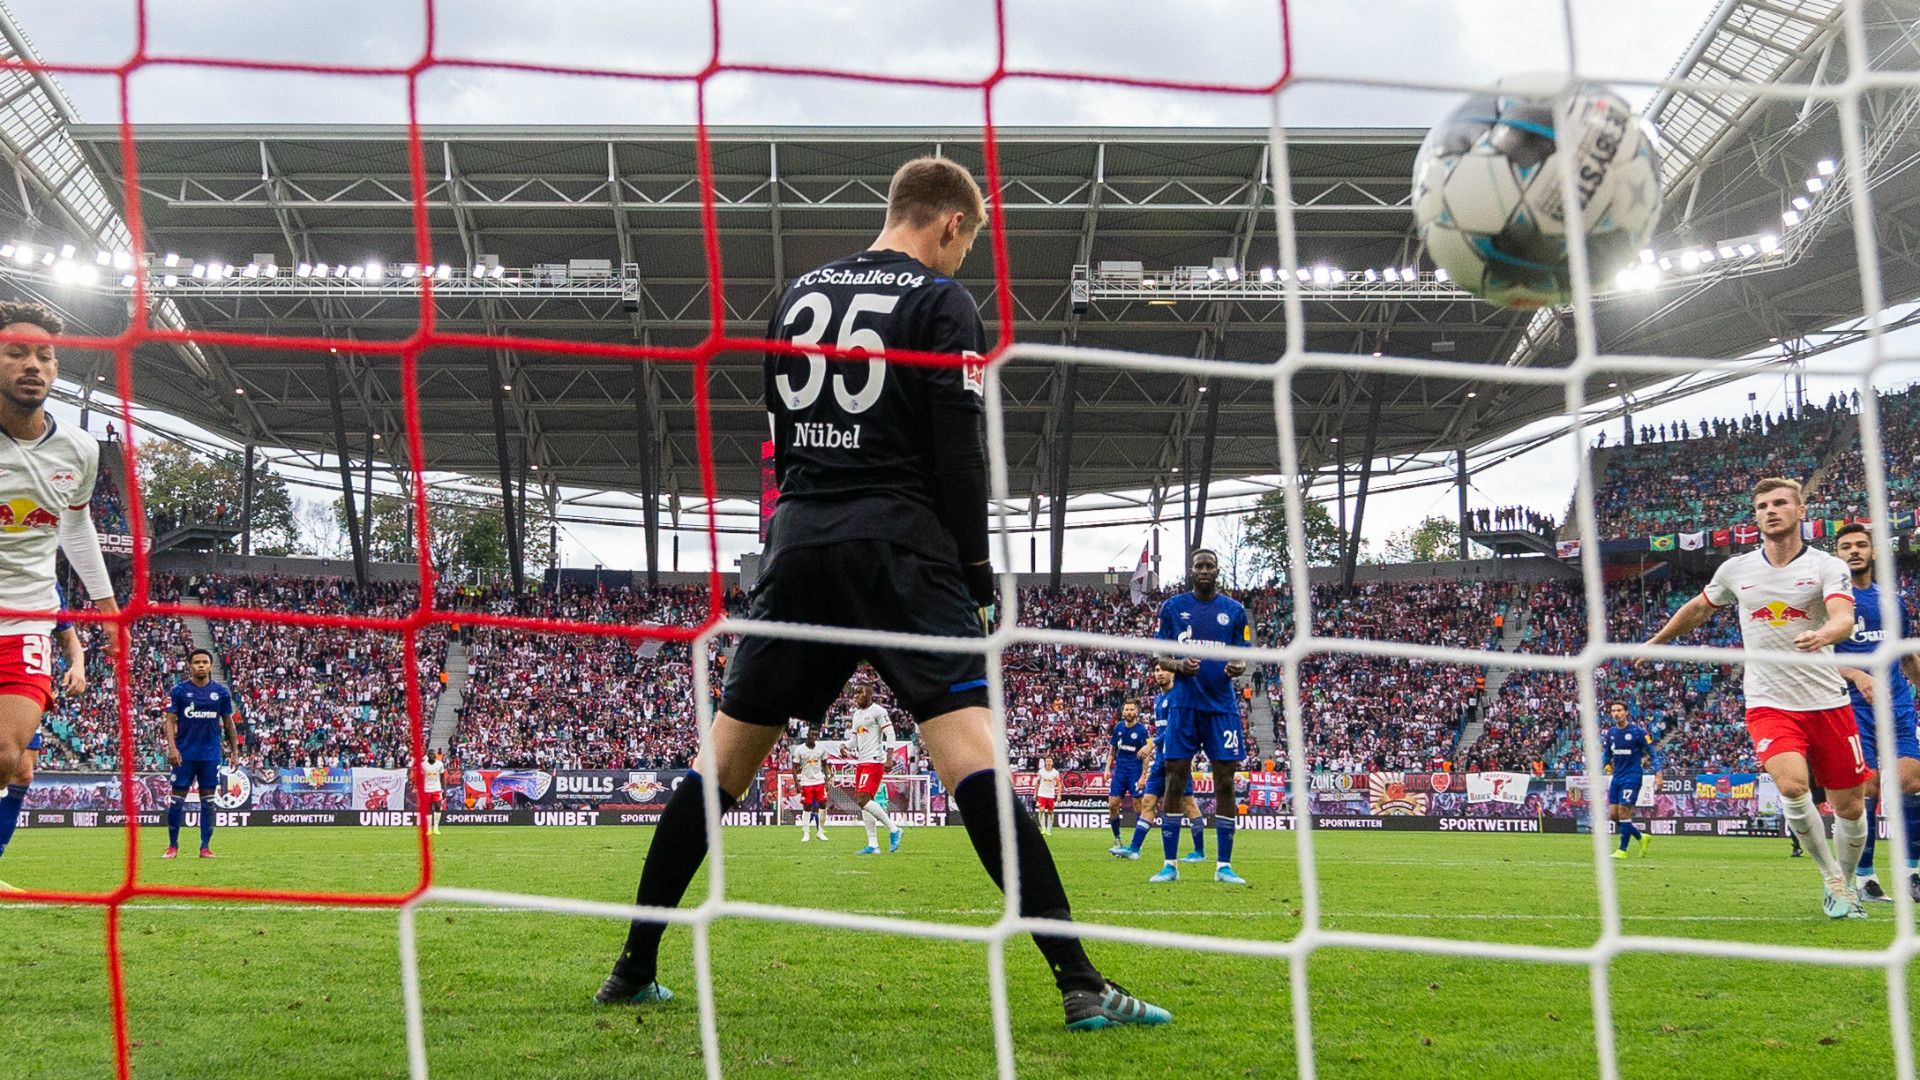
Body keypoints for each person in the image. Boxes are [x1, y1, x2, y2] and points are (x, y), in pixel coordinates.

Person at [596, 156, 1169, 1030]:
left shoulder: (797, 296)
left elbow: (780, 441)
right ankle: (1080, 983)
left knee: (723, 766)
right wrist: (976, 577)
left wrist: (795, 535)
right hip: (902, 552)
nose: (963, 259)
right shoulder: (941, 301)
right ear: (950, 223)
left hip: (801, 547)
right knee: (973, 759)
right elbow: (958, 452)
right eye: (966, 243)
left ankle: (632, 966)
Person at [1644, 477, 1868, 918]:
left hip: (1827, 700)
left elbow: (1843, 617)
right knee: (1792, 785)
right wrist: (1656, 641)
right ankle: (1832, 880)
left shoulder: (1827, 566)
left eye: (1780, 503)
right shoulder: (1737, 569)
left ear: (1800, 511)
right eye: (1763, 505)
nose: (1771, 510)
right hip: (1769, 701)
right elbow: (1699, 607)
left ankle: (1848, 881)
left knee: (1850, 807)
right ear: (1756, 516)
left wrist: (1823, 634)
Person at [0, 301, 119, 888]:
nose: (33, 365)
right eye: (16, 353)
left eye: (44, 356)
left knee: (8, 755)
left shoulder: (80, 449)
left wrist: (108, 608)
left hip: (26, 618)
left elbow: (76, 526)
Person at [1830, 522, 1920, 902]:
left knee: (1911, 781)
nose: (1854, 551)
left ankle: (1912, 873)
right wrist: (1856, 674)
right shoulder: (1831, 603)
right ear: (1837, 556)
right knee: (1866, 787)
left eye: (1860, 545)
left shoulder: (1892, 601)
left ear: (1873, 552)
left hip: (1897, 702)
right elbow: (1817, 658)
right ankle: (1865, 877)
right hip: (1853, 706)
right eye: (1846, 546)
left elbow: (1906, 656)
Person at [1151, 549, 1250, 886]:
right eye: (1199, 566)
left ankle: (1224, 866)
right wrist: (1178, 665)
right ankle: (1169, 864)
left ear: (1217, 570)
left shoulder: (1234, 611)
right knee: (1175, 779)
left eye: (1209, 565)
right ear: (1191, 570)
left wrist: (1238, 666)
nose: (1204, 570)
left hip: (1221, 707)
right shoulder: (1173, 607)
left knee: (1225, 782)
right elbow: (1161, 654)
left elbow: (1242, 655)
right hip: (1184, 706)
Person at [0, 607, 85, 892]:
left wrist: (78, 664)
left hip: (25, 672)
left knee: (22, 773)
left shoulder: (45, 586)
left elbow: (68, 635)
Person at [1120, 680, 1206, 863]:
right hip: (1160, 759)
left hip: (1177, 758)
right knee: (1148, 802)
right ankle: (1134, 849)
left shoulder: (1178, 696)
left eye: (1163, 669)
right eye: (1157, 669)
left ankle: (1199, 851)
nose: (1159, 673)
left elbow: (1175, 729)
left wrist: (1151, 744)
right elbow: (1163, 729)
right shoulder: (1159, 698)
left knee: (1188, 803)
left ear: (1172, 673)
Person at [163, 648, 237, 859]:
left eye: (205, 662)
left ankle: (205, 847)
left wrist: (235, 751)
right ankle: (172, 846)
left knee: (208, 802)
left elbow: (228, 723)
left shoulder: (220, 693)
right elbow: (169, 721)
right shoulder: (179, 691)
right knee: (176, 801)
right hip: (184, 755)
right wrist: (172, 748)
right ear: (190, 666)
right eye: (197, 662)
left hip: (210, 755)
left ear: (210, 665)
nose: (201, 665)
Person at [845, 682, 901, 855]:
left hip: (874, 761)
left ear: (870, 694)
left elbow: (890, 734)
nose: (856, 697)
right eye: (854, 694)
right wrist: (844, 745)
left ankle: (894, 829)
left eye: (860, 693)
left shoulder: (878, 711)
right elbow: (854, 741)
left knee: (862, 800)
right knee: (864, 803)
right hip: (862, 762)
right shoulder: (856, 715)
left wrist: (889, 758)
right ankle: (873, 845)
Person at [1602, 700, 1655, 860]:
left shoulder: (1637, 732)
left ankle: (1622, 849)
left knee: (1624, 812)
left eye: (1619, 710)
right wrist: (1602, 766)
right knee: (1613, 815)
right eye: (1613, 711)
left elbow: (1652, 753)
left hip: (1632, 776)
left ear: (1626, 712)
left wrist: (1658, 772)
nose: (1616, 713)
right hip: (1617, 777)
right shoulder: (1611, 733)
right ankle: (1640, 836)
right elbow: (1607, 754)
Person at [1104, 700, 1149, 850]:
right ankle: (1117, 838)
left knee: (1138, 806)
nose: (1129, 712)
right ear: (1123, 712)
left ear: (1136, 712)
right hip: (1119, 772)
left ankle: (1136, 843)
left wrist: (1143, 776)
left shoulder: (1142, 731)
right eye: (1126, 709)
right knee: (1112, 805)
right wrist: (1107, 769)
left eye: (1131, 709)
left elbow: (1146, 756)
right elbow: (1112, 751)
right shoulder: (1118, 727)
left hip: (1135, 772)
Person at [791, 730, 829, 842]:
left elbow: (824, 765)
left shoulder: (821, 748)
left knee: (823, 804)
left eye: (816, 735)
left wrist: (827, 780)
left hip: (819, 780)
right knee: (807, 806)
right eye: (812, 735)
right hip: (806, 781)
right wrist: (797, 784)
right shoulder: (799, 750)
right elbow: (794, 768)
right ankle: (806, 833)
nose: (814, 737)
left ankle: (820, 832)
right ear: (807, 735)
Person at [422, 750, 447, 836]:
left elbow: (442, 777)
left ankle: (436, 827)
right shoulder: (423, 765)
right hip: (426, 789)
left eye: (433, 754)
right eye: (430, 754)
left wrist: (443, 789)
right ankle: (429, 828)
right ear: (427, 755)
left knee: (437, 806)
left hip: (437, 788)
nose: (432, 756)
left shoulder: (440, 764)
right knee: (428, 808)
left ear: (435, 755)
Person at [1035, 756, 1060, 835]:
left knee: (1050, 811)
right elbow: (1037, 783)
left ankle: (1049, 830)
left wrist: (1059, 795)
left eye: (1050, 761)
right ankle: (1043, 828)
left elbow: (1059, 784)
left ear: (1052, 763)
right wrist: (1035, 793)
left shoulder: (1055, 773)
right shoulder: (1041, 772)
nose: (1048, 763)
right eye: (1047, 761)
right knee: (1041, 810)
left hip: (1051, 794)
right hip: (1042, 793)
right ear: (1045, 762)